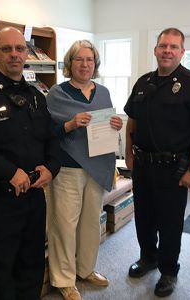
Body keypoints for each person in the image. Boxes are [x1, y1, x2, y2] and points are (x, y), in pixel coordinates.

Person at [0, 27, 61, 299]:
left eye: (19, 49)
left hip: (33, 197)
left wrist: (51, 168)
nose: (14, 55)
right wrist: (10, 172)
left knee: (31, 264)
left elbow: (51, 139)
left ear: (27, 53)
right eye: (7, 49)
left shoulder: (36, 97)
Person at [124, 28, 190, 297]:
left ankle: (168, 271)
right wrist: (129, 155)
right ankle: (148, 258)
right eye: (163, 45)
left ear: (182, 52)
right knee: (143, 217)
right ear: (155, 50)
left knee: (169, 223)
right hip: (143, 166)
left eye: (173, 47)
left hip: (174, 169)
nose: (167, 50)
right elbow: (132, 121)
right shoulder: (143, 83)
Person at [46, 40, 123, 300]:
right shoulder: (57, 93)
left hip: (98, 166)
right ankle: (64, 279)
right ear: (70, 63)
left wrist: (115, 125)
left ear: (95, 64)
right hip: (68, 168)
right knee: (65, 225)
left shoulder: (102, 92)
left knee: (91, 221)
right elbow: (46, 133)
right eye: (79, 59)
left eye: (90, 60)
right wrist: (69, 125)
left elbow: (107, 127)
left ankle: (86, 269)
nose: (85, 64)